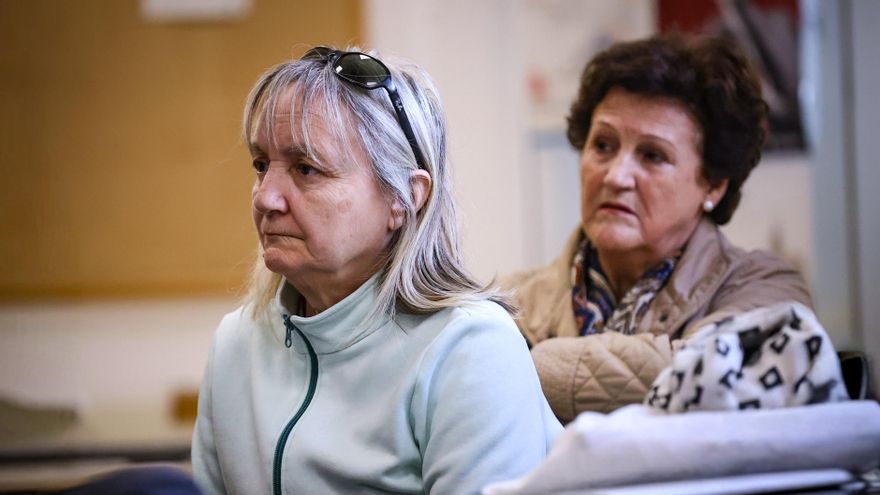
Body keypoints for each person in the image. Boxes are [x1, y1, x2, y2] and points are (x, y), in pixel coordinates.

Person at [191, 46, 561, 494]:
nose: (266, 198)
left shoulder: (468, 350)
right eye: (261, 165)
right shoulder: (237, 344)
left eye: (307, 169)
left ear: (403, 198)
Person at [503, 34, 812, 423]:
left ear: (713, 184)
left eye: (653, 155)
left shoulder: (767, 287)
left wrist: (528, 366)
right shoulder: (513, 302)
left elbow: (719, 376)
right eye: (602, 145)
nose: (616, 176)